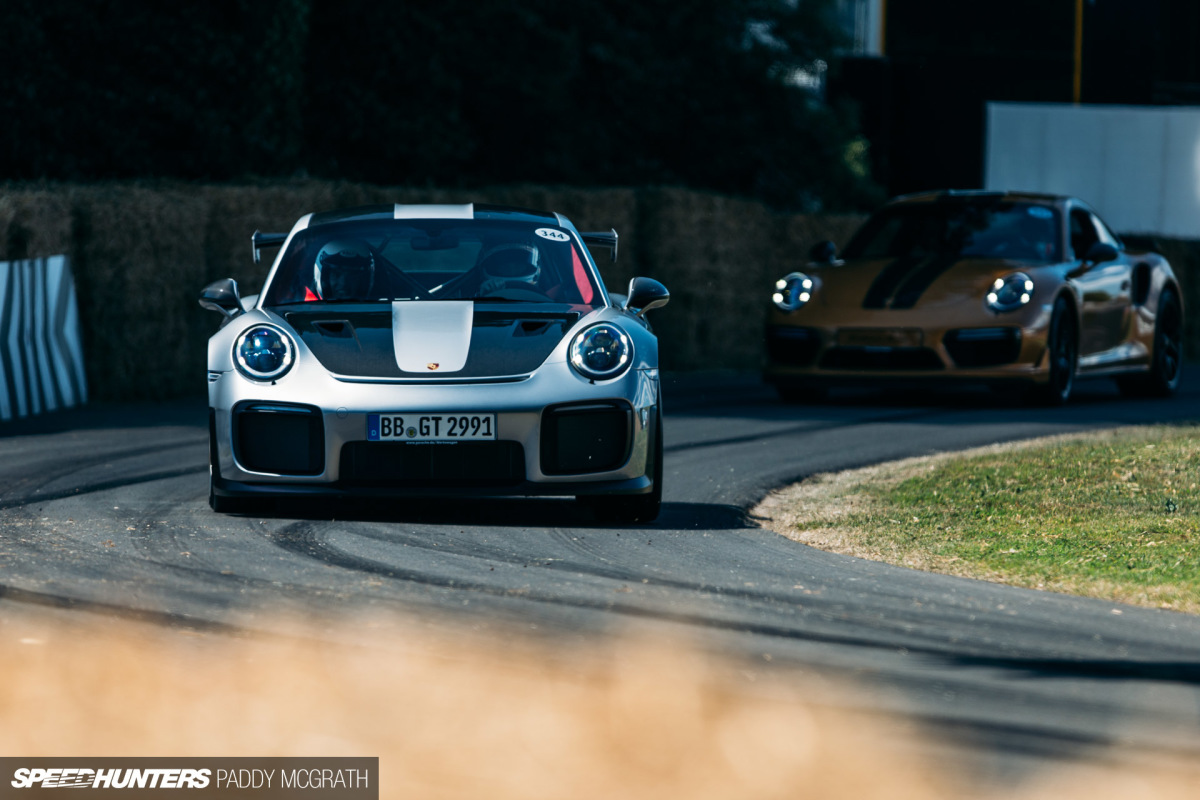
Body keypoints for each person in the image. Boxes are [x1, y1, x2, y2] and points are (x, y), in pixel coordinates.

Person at [477, 243, 542, 295]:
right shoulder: (473, 294)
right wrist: (481, 298)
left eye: (518, 264)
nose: (512, 269)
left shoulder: (547, 298)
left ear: (528, 267)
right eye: (505, 265)